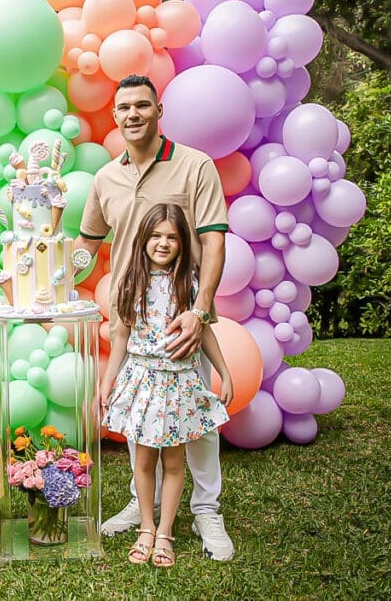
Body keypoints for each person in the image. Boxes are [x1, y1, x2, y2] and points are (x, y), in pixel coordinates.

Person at [75, 74, 235, 560]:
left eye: (142, 106)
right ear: (116, 115)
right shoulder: (107, 178)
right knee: (140, 417)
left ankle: (207, 510)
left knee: (197, 421)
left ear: (158, 110)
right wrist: (52, 276)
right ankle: (139, 508)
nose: (133, 115)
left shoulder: (194, 165)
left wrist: (200, 310)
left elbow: (213, 240)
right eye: (124, 108)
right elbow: (88, 243)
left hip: (185, 318)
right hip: (132, 319)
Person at [99, 203, 233, 567]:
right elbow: (121, 337)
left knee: (175, 462)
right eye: (156, 236)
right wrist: (107, 382)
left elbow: (203, 332)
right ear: (143, 239)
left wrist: (223, 370)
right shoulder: (129, 282)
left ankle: (165, 533)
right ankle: (145, 526)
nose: (163, 243)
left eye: (172, 237)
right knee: (143, 460)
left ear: (182, 243)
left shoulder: (189, 284)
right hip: (143, 380)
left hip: (179, 384)